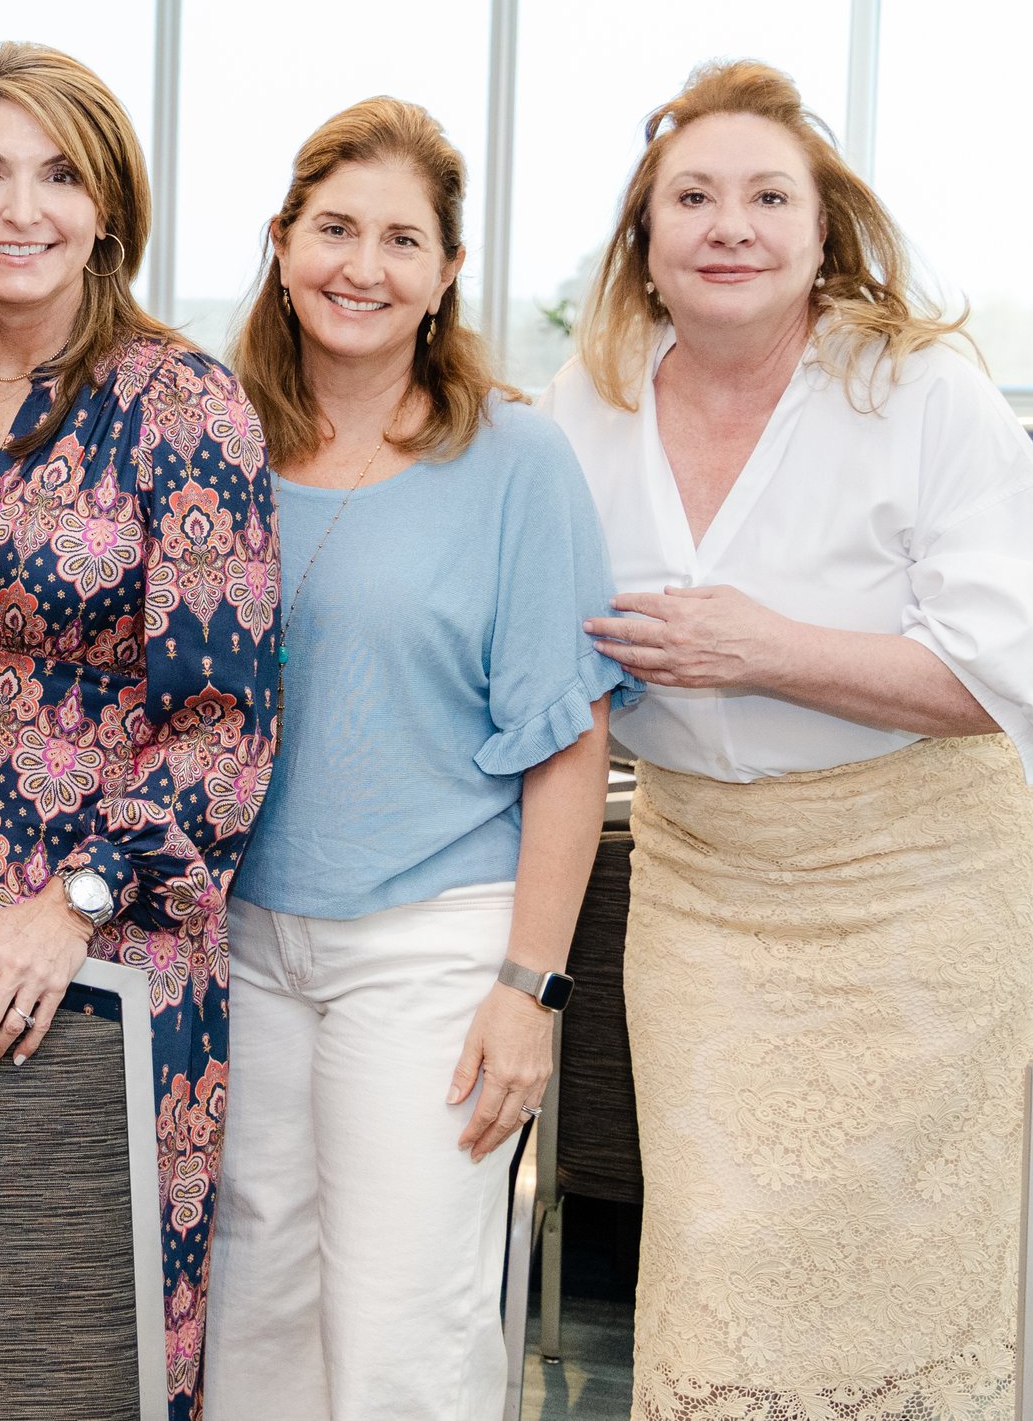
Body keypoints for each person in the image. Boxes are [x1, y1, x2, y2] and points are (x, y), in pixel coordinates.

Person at [542, 61, 1033, 1418]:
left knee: (908, 1268)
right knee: (721, 1251)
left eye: (767, 195)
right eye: (694, 196)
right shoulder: (590, 398)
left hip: (920, 889)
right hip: (708, 891)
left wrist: (769, 649)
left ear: (821, 230)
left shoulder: (917, 393)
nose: (730, 223)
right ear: (645, 238)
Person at [0, 41, 279, 1421]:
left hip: (100, 939)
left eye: (58, 174)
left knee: (81, 1337)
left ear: (109, 209)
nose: (20, 207)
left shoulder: (182, 404)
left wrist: (73, 905)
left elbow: (224, 725)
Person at [206, 99, 630, 1421]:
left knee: (403, 1328)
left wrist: (530, 987)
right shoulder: (211, 442)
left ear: (447, 273)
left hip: (429, 939)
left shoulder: (514, 459)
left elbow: (567, 741)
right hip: (240, 937)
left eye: (403, 238)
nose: (362, 264)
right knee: (255, 1314)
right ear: (281, 244)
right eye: (335, 227)